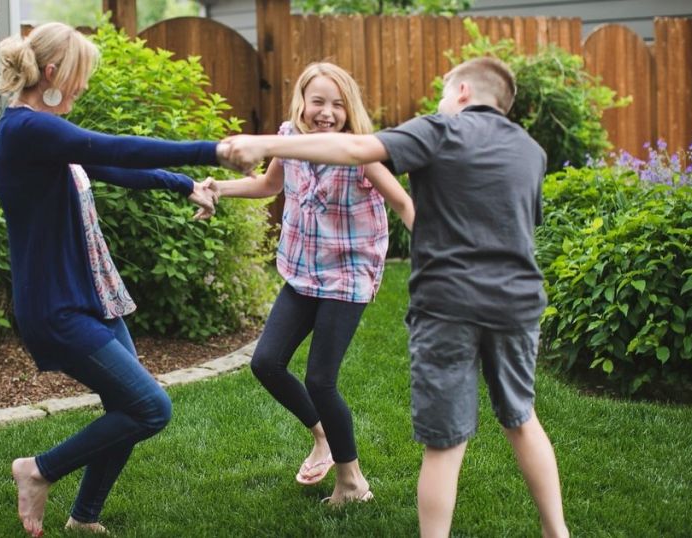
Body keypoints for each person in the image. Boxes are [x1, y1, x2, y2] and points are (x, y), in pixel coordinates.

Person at [218, 57, 568, 537]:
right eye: (317, 100)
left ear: (462, 92)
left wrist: (263, 142)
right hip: (515, 300)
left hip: (429, 297)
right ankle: (557, 532)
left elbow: (366, 155)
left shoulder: (440, 130)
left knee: (443, 442)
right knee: (521, 418)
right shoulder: (531, 151)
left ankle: (367, 489)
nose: (442, 102)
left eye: (445, 93)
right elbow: (521, 222)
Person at [0, 22, 223, 537]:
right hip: (56, 309)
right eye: (80, 77)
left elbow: (111, 166)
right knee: (150, 408)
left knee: (127, 405)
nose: (84, 87)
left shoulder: (43, 134)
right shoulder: (28, 130)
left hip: (86, 298)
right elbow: (117, 148)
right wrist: (213, 150)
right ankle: (37, 470)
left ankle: (84, 518)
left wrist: (184, 183)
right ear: (52, 73)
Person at [209, 62, 414, 506]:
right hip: (303, 269)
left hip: (348, 272)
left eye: (338, 104)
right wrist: (218, 188)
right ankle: (322, 436)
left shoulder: (360, 151)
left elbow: (401, 200)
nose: (327, 112)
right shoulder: (288, 139)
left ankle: (352, 481)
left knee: (321, 380)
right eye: (318, 101)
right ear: (301, 101)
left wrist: (440, 255)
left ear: (350, 109)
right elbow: (268, 185)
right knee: (265, 363)